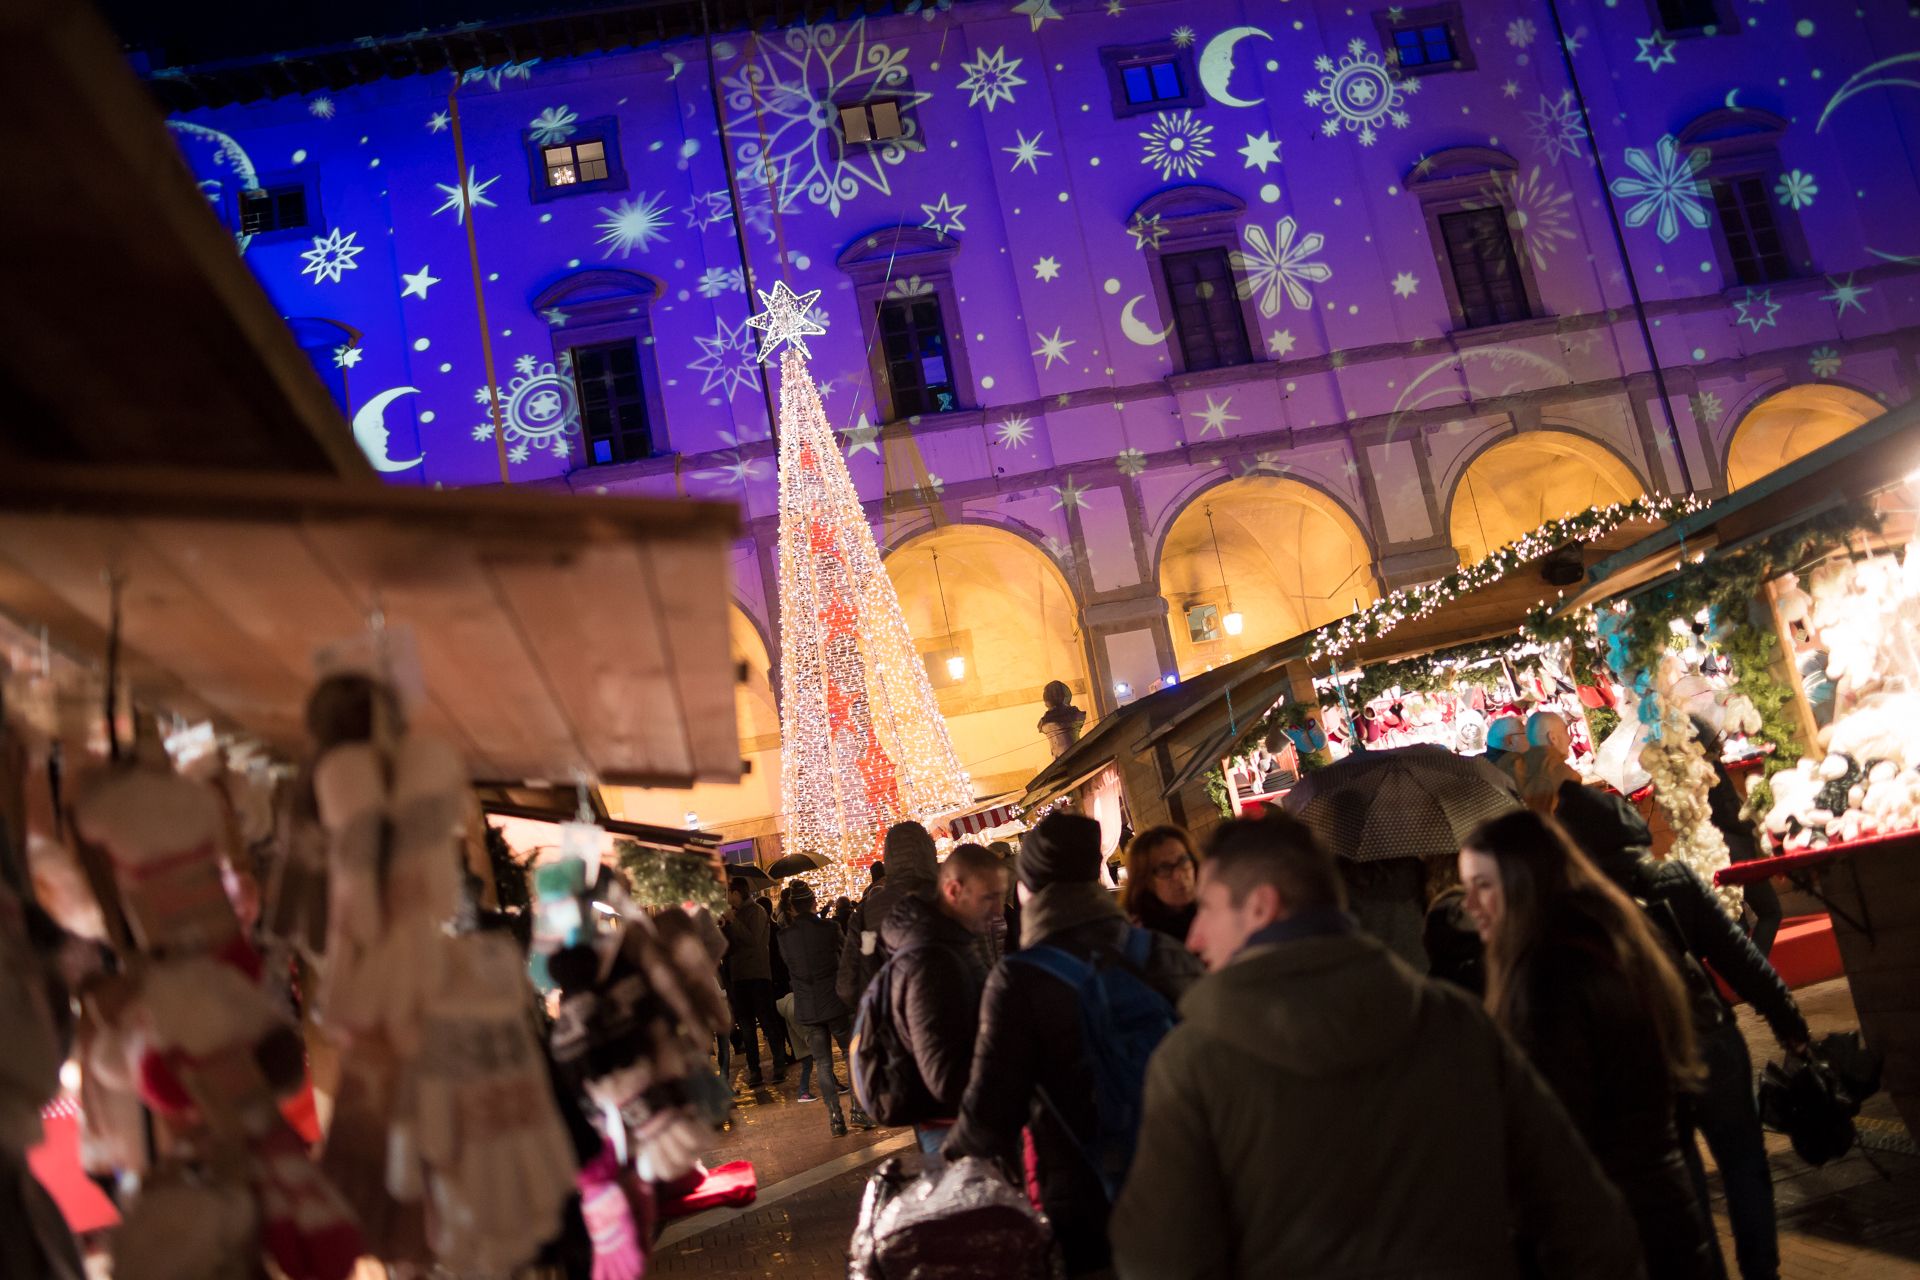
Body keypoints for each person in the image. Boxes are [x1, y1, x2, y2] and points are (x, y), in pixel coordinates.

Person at [1110, 812, 1645, 1280]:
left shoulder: (1194, 1065)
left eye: (1209, 908)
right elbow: (1586, 1219)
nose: (1197, 935)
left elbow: (1163, 1260)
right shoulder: (1455, 1022)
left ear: (1261, 908)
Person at [1556, 781, 1809, 1280]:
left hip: (1642, 1062)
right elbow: (1740, 959)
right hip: (1711, 1039)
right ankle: (1763, 1271)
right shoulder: (1671, 878)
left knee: (1683, 1182)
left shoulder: (1573, 910)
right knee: (1744, 1166)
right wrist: (1789, 1023)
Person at [1460, 810, 1717, 1280]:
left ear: (1524, 882)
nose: (1470, 905)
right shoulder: (1609, 937)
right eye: (1466, 888)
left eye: (1484, 886)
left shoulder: (1549, 977)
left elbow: (1558, 1126)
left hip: (1608, 1225)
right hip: (1660, 1203)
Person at [946, 813, 1201, 1276]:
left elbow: (992, 1112)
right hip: (1186, 1176)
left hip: (1086, 1195)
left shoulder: (1019, 979)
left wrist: (948, 1161)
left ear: (1031, 889)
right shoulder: (1160, 951)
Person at [883, 841, 1003, 1167]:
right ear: (953, 890)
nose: (998, 910)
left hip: (966, 1119)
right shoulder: (931, 959)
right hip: (952, 1128)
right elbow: (943, 1075)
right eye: (989, 898)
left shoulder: (952, 942)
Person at [776, 881, 872, 1136]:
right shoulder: (828, 928)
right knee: (850, 1055)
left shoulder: (784, 937)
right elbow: (846, 954)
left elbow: (790, 966)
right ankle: (857, 1110)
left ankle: (835, 1118)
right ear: (813, 902)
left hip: (807, 1006)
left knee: (823, 1064)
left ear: (793, 907)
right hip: (835, 1002)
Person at [1692, 715, 1784, 957]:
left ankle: (1748, 976)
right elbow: (1729, 813)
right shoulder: (1710, 769)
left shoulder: (1683, 773)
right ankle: (1757, 973)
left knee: (1737, 920)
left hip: (1706, 851)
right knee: (1770, 911)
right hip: (1733, 848)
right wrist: (1748, 825)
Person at [836, 822, 938, 1008]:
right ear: (929, 851)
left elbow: (847, 988)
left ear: (888, 858)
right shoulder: (955, 899)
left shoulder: (867, 914)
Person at [721, 877, 792, 1088]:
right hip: (738, 977)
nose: (725, 897)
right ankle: (754, 1070)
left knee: (767, 1022)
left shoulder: (757, 912)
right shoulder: (733, 915)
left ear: (737, 892)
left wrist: (733, 921)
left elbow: (753, 941)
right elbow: (726, 945)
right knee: (746, 1027)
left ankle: (779, 1063)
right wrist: (724, 926)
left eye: (728, 892)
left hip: (758, 975)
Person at [1121, 825, 1199, 942]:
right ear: (1144, 881)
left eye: (1183, 861)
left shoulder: (1218, 910)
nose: (1179, 875)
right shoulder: (1139, 939)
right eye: (1165, 868)